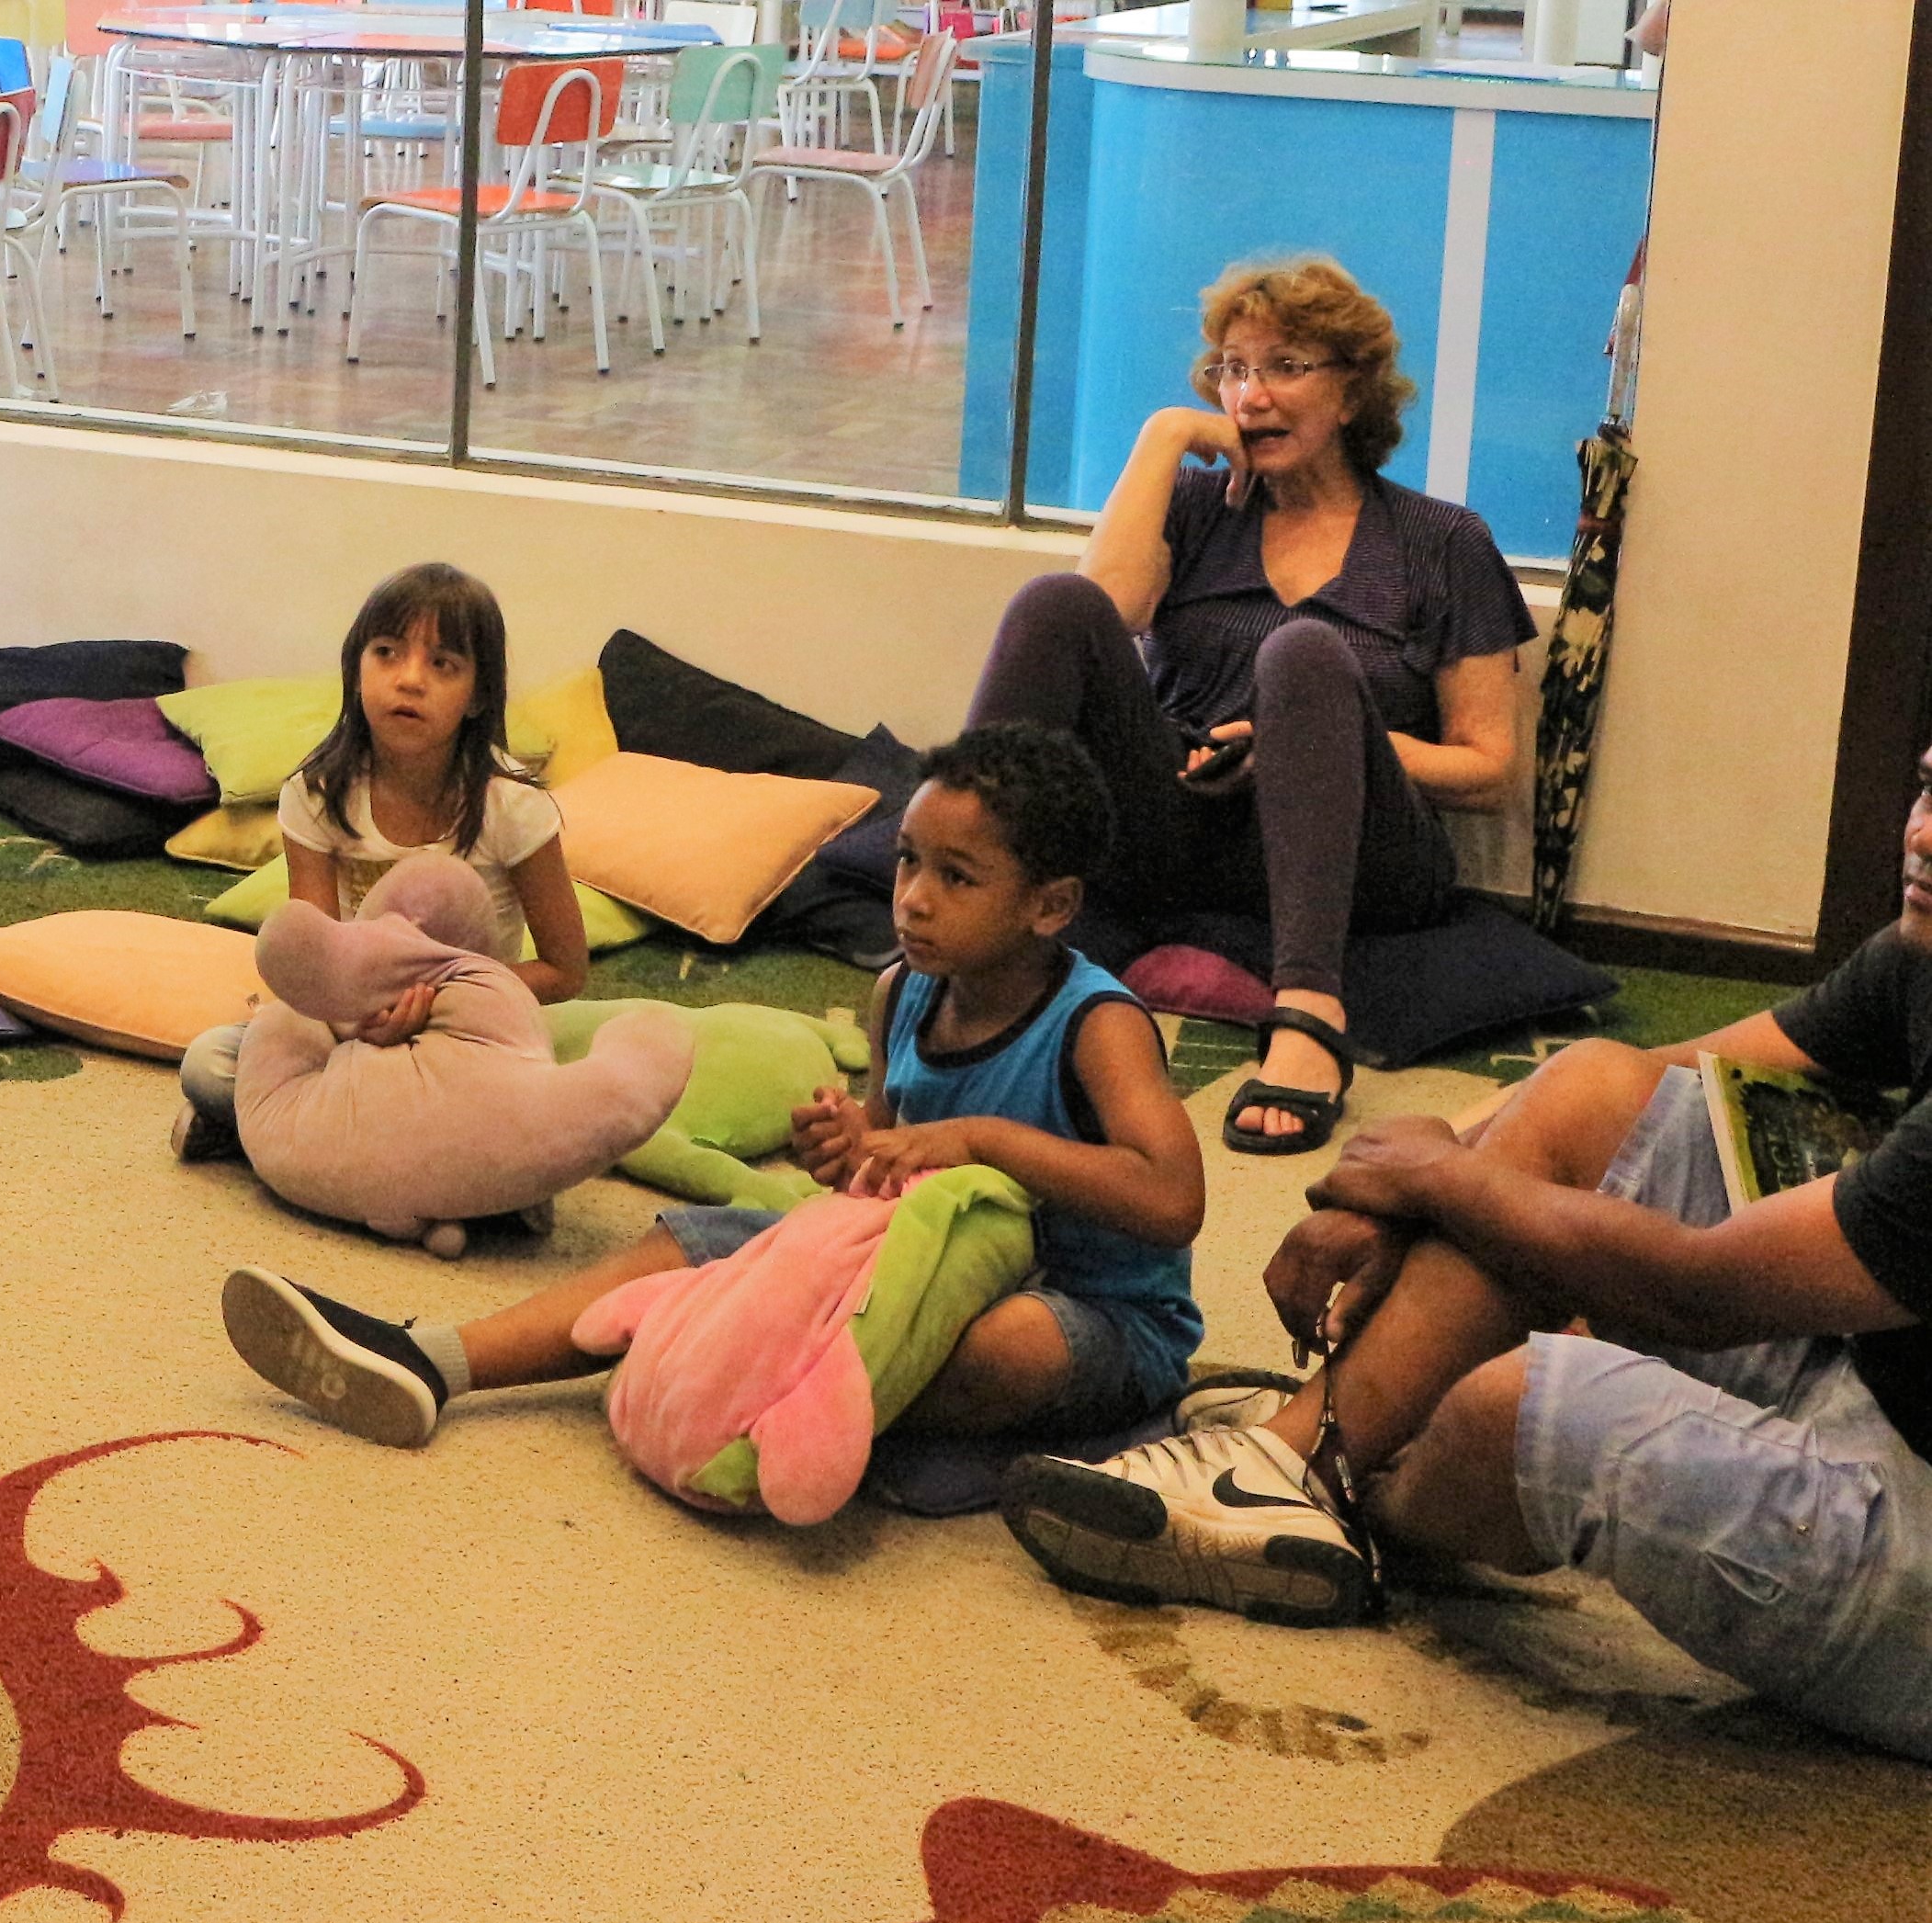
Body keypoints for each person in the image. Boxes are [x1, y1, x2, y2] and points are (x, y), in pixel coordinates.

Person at [990, 750, 1932, 1764]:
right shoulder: (1917, 952)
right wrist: (1400, 1188)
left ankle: (1361, 1494)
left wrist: (1439, 1183)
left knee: (1519, 1408)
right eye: (1925, 784)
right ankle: (1295, 1458)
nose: (1920, 834)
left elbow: (1698, 1289)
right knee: (1590, 1089)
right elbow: (1655, 1079)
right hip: (1875, 1376)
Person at [220, 725, 1208, 1453]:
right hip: (902, 1277)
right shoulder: (901, 992)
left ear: (1050, 905)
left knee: (995, 1350)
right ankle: (435, 1357)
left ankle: (748, 1394)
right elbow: (883, 1170)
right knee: (695, 1240)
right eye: (908, 860)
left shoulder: (1096, 1024)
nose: (911, 898)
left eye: (957, 877)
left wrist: (981, 1138)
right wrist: (850, 1147)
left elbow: (1172, 1200)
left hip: (1091, 1313)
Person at [966, 255, 1532, 1155]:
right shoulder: (1197, 506)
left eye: (1284, 366)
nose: (1250, 393)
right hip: (1183, 822)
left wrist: (1318, 741)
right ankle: (961, 923)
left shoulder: (1442, 542)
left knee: (1303, 653)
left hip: (1355, 853)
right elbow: (1104, 617)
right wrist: (1161, 437)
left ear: (1350, 393)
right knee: (1052, 602)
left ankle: (1307, 1017)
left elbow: (1489, 770)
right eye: (1232, 369)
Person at [175, 562, 594, 1163]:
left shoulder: (513, 807)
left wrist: (439, 1003)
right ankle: (389, 1157)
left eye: (442, 664)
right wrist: (357, 1017)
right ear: (356, 669)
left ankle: (297, 1140)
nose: (410, 680)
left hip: (468, 1029)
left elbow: (564, 971)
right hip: (350, 1022)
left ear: (478, 695)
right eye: (387, 653)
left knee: (535, 1106)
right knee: (209, 1064)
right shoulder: (317, 793)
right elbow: (316, 956)